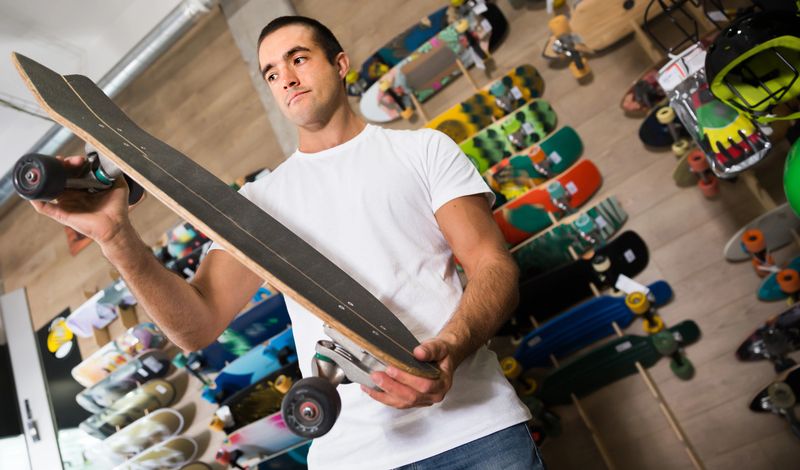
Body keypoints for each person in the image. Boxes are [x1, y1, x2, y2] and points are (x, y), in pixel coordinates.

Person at [32, 15, 544, 470]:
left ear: (340, 63)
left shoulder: (423, 150)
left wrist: (451, 349)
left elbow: (491, 265)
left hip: (478, 431)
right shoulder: (258, 202)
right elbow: (197, 325)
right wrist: (117, 238)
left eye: (298, 59)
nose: (287, 80)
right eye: (272, 73)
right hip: (352, 454)